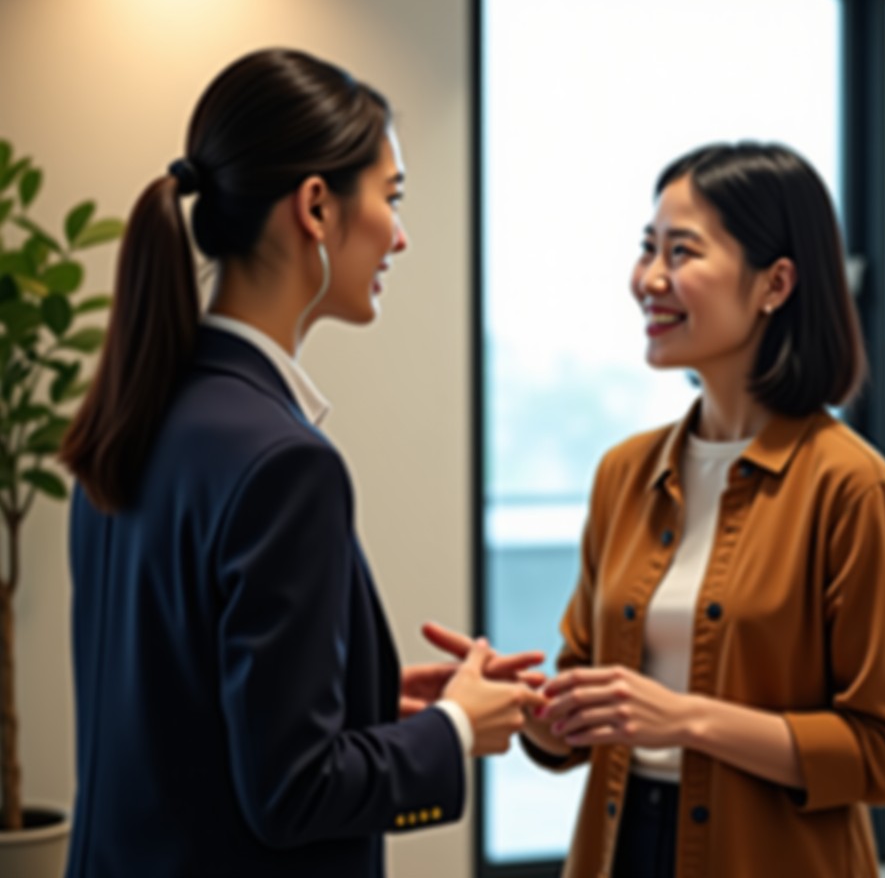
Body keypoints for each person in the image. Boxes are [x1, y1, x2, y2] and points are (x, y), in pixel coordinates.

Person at [59, 48, 543, 878]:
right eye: (391, 199)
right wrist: (454, 730)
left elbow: (172, 717)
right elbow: (292, 794)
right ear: (316, 207)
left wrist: (363, 711)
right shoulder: (285, 464)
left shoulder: (133, 420)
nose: (400, 234)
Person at [429, 141, 885, 877]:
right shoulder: (624, 473)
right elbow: (589, 712)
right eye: (647, 248)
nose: (648, 280)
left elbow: (883, 757)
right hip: (618, 849)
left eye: (682, 253)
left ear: (775, 284)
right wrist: (528, 704)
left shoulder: (853, 491)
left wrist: (683, 718)